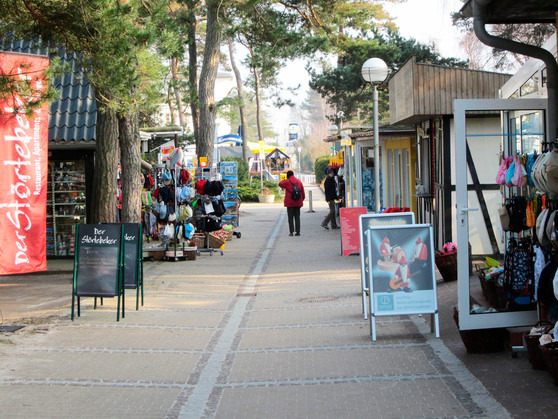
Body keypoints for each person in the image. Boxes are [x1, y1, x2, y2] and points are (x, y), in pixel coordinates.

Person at [278, 170, 305, 236]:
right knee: (297, 217)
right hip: (298, 203)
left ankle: (291, 232)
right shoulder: (299, 182)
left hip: (290, 203)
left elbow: (280, 183)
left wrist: (285, 183)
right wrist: (301, 200)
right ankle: (298, 231)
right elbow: (303, 193)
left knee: (290, 217)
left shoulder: (287, 182)